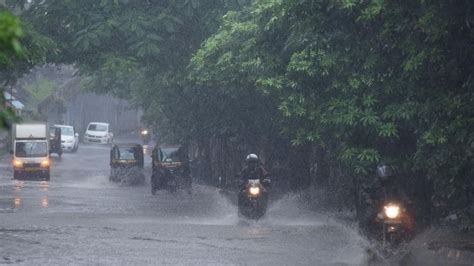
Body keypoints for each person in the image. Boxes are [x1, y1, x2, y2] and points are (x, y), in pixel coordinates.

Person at [360, 164, 412, 234]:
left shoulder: (394, 183)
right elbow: (367, 191)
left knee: (407, 218)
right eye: (383, 177)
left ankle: (410, 236)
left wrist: (407, 200)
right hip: (378, 206)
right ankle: (366, 235)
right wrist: (368, 199)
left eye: (387, 177)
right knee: (368, 218)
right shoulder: (374, 184)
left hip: (394, 206)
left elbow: (401, 192)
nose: (385, 179)